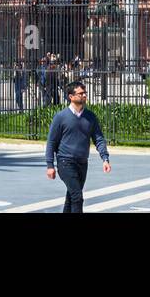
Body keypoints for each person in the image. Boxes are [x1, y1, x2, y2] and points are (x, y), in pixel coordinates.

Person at [45, 81, 111, 213]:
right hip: (65, 162)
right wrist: (50, 165)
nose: (84, 95)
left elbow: (98, 138)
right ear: (71, 96)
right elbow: (51, 142)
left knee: (71, 197)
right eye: (80, 93)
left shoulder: (90, 117)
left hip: (82, 163)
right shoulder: (60, 117)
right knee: (77, 197)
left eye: (85, 93)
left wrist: (105, 158)